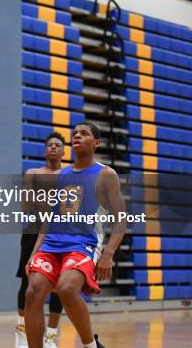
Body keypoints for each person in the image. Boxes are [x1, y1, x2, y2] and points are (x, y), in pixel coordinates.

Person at [24, 123, 126, 348]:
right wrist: (34, 254)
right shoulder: (62, 175)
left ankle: (91, 345)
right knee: (32, 292)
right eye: (75, 134)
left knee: (66, 289)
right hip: (51, 245)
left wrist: (108, 253)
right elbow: (50, 219)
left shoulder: (106, 174)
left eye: (84, 133)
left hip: (83, 244)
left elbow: (122, 219)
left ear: (96, 143)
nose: (77, 136)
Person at [16, 132, 65, 348]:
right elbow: (25, 205)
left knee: (60, 283)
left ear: (64, 151)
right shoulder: (33, 173)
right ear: (46, 150)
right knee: (27, 282)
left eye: (58, 145)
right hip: (34, 230)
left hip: (61, 232)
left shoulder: (70, 174)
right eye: (50, 145)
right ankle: (20, 333)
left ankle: (51, 337)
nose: (54, 147)